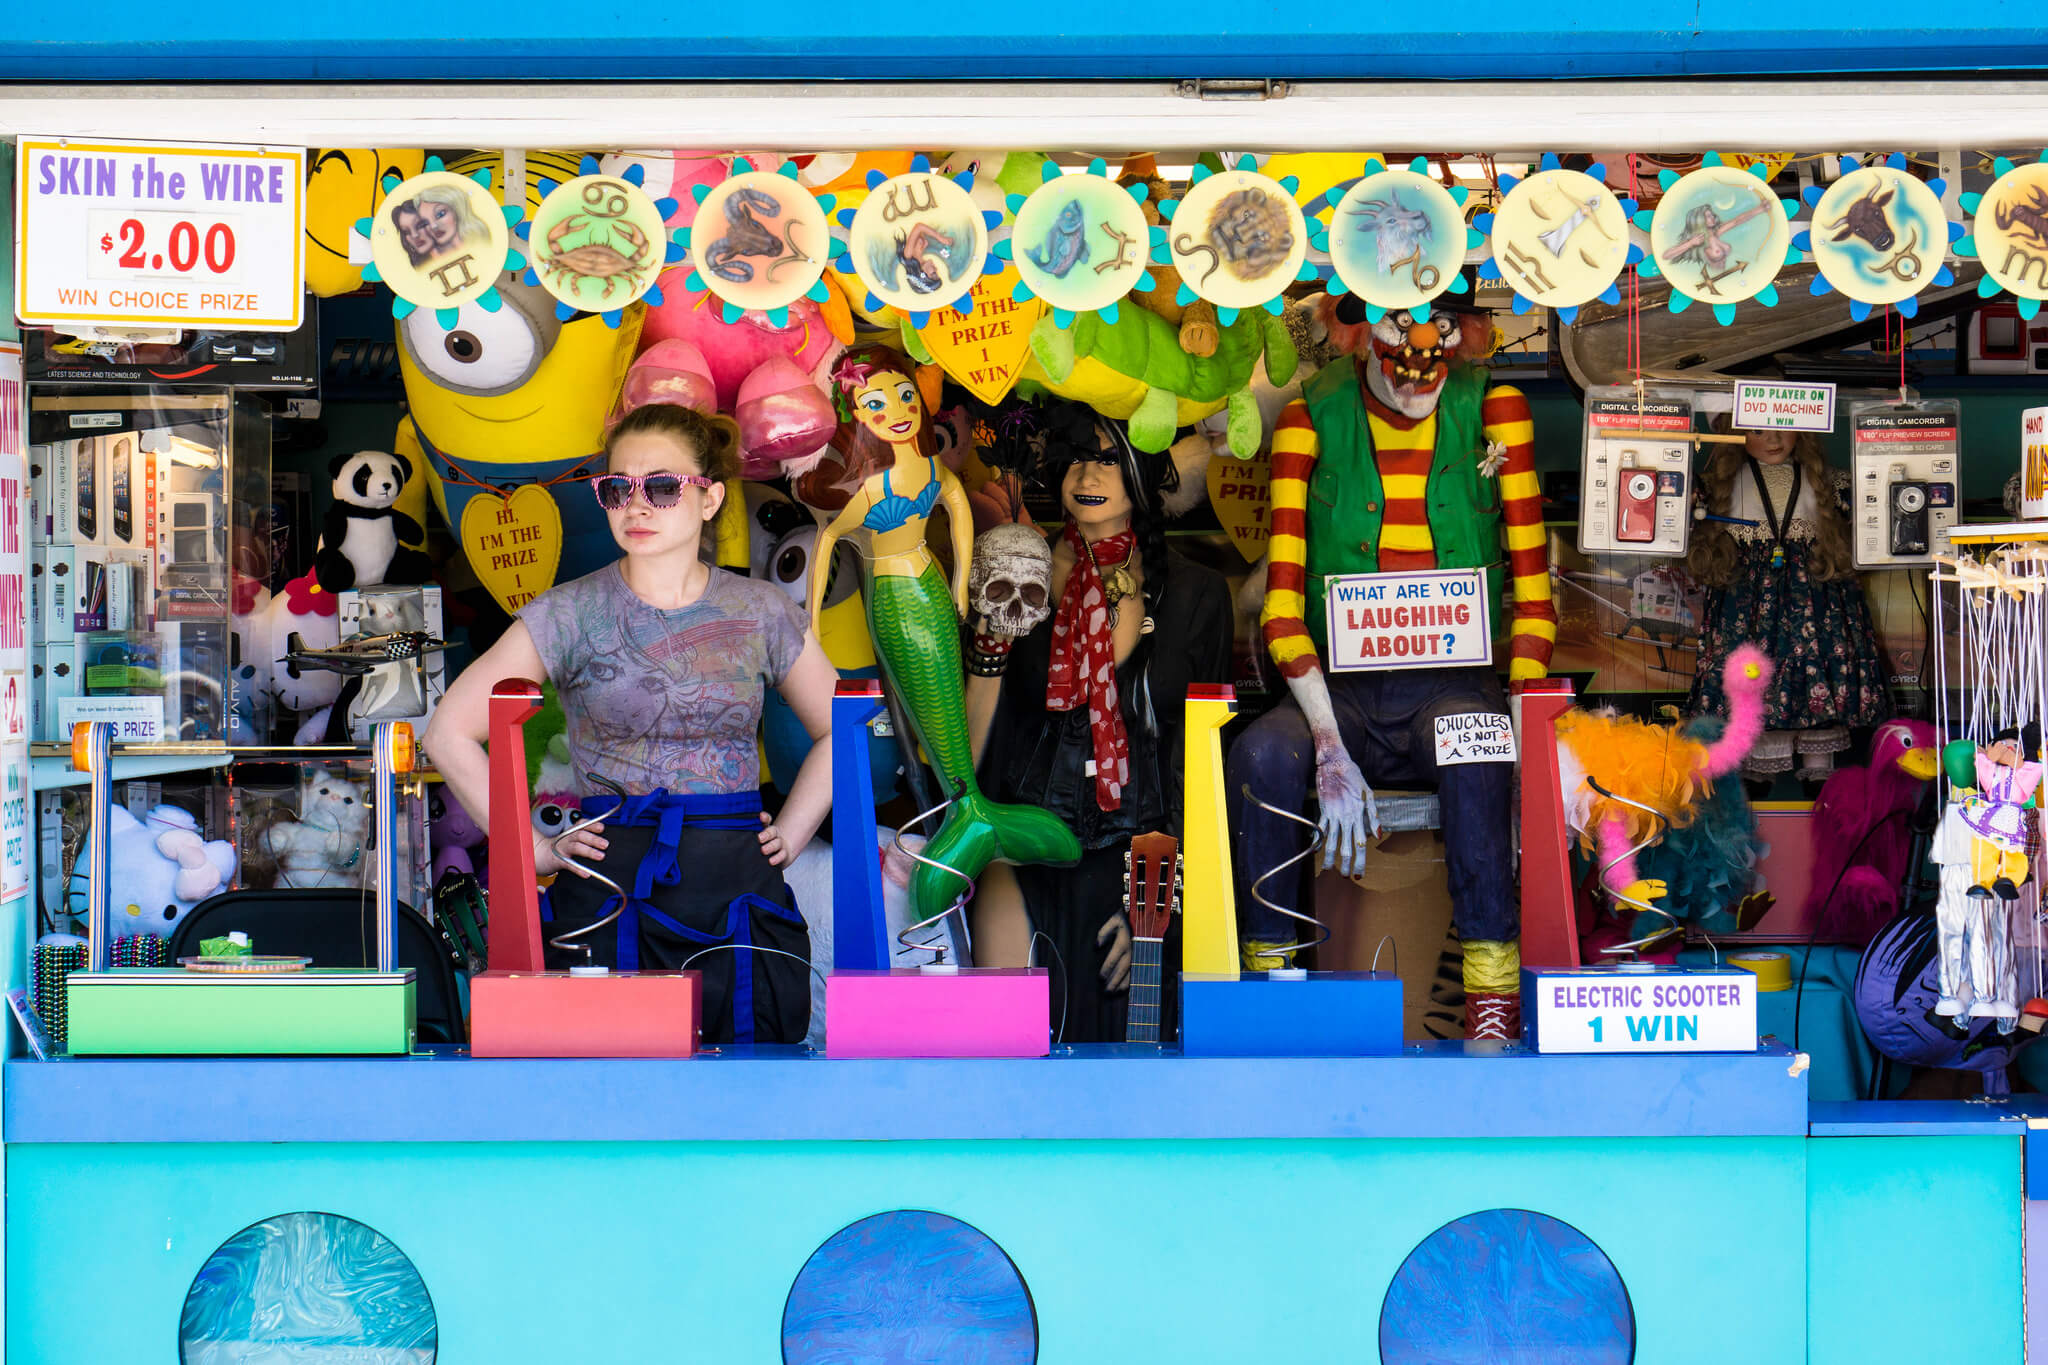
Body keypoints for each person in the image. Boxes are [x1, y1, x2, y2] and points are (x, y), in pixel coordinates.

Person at [425, 403, 836, 1045]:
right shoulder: (566, 613)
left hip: (739, 887)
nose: (637, 506)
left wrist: (795, 826)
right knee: (607, 1097)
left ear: (710, 499)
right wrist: (531, 850)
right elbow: (447, 733)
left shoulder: (762, 610)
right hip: (606, 890)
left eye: (663, 486)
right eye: (618, 488)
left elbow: (842, 724)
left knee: (750, 1101)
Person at [1226, 298, 1555, 1040]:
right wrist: (1330, 747)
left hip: (1454, 685)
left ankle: (1492, 1001)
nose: (1415, 381)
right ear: (1361, 333)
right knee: (1262, 753)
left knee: (1478, 745)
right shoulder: (1308, 416)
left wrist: (1523, 726)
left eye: (1434, 356)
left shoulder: (1498, 406)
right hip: (1335, 693)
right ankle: (1271, 987)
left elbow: (1534, 599)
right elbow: (1282, 605)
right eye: (1397, 353)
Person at [965, 403, 1231, 1043]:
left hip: (1141, 853)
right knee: (1008, 1048)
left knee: (1131, 1064)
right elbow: (970, 752)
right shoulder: (1015, 574)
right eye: (1077, 456)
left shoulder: (1196, 593)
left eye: (1110, 456)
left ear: (1144, 468)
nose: (1089, 471)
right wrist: (989, 637)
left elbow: (1204, 761)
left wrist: (1161, 889)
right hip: (1023, 839)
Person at [808, 345, 1079, 936]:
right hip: (903, 597)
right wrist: (810, 626)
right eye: (875, 403)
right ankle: (969, 809)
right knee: (927, 704)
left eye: (906, 396)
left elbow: (955, 505)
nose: (898, 411)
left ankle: (969, 810)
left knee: (939, 704)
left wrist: (960, 581)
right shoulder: (876, 485)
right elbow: (831, 541)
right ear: (854, 414)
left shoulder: (924, 471)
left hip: (923, 590)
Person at [1685, 423, 1889, 784]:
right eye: (1758, 432)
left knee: (1819, 723)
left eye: (1782, 430)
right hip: (1746, 607)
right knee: (1750, 704)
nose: (1774, 441)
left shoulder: (1829, 482)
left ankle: (1820, 800)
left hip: (1816, 602)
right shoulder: (1717, 487)